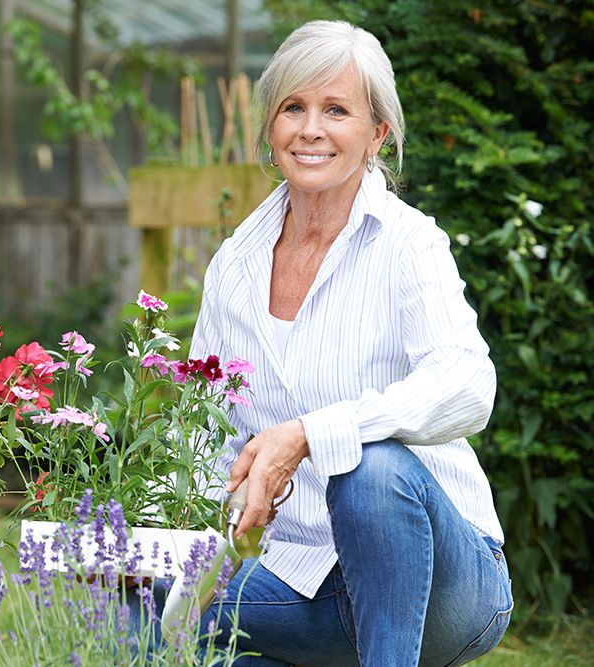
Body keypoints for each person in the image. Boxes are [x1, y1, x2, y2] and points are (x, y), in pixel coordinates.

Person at [191, 20, 512, 666]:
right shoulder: (235, 265)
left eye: (336, 109)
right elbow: (196, 432)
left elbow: (469, 385)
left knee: (369, 469)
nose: (311, 129)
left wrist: (313, 431)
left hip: (447, 585)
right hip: (303, 581)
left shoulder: (408, 243)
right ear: (270, 128)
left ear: (376, 134)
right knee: (144, 604)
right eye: (293, 108)